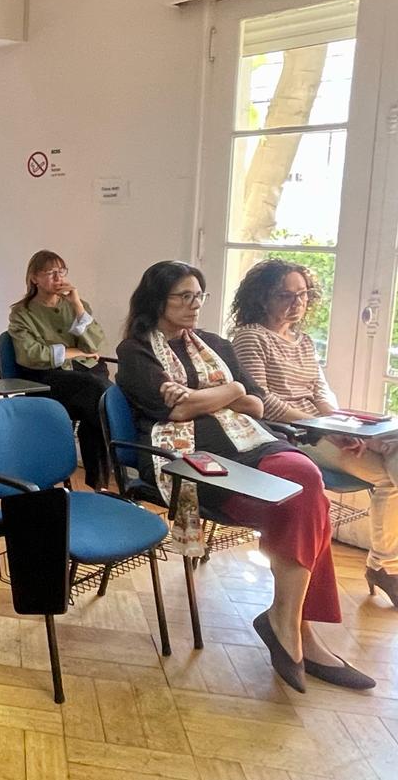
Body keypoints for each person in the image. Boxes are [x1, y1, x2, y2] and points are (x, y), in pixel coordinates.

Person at [116, 260, 373, 691]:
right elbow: (173, 411)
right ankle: (299, 635)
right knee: (304, 508)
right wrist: (229, 391)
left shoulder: (215, 344)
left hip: (254, 443)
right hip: (190, 459)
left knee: (305, 479)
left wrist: (223, 395)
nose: (194, 305)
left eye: (199, 296)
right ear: (157, 300)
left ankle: (287, 625)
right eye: (184, 296)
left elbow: (255, 403)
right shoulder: (136, 351)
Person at [230, 258, 398, 607]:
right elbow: (262, 400)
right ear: (262, 298)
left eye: (303, 295)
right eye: (285, 295)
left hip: (320, 430)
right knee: (387, 478)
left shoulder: (303, 340)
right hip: (290, 435)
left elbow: (321, 392)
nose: (297, 303)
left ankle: (384, 566)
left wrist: (340, 425)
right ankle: (384, 567)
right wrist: (321, 427)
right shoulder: (249, 337)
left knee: (391, 449)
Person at [7, 250, 112, 490]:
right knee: (99, 395)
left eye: (61, 272)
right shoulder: (22, 313)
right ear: (34, 278)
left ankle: (100, 485)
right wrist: (74, 351)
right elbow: (31, 354)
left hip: (83, 378)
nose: (58, 278)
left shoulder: (76, 306)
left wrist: (76, 304)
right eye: (51, 273)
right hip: (47, 380)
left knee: (100, 403)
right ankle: (102, 484)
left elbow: (94, 344)